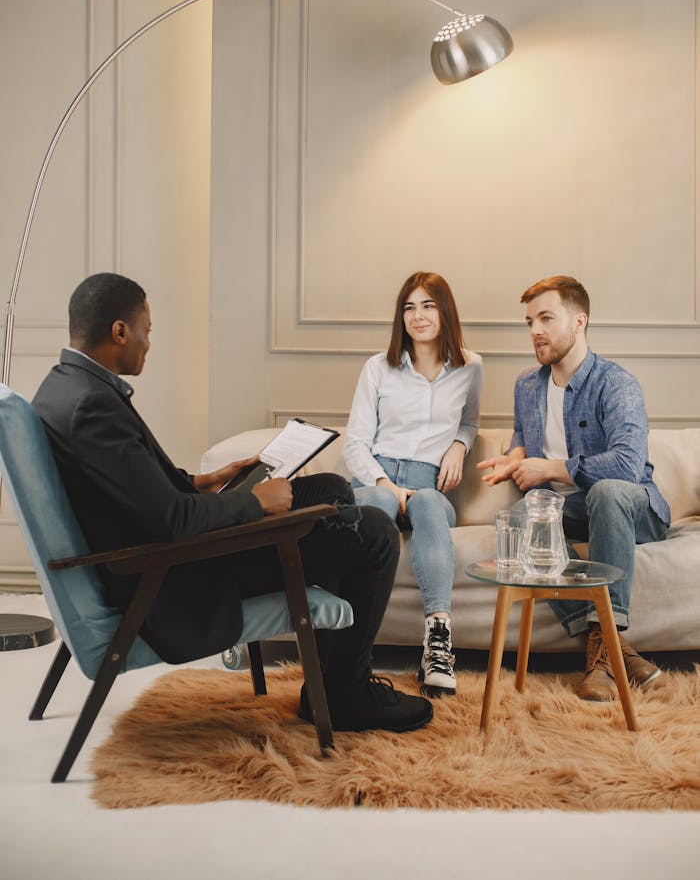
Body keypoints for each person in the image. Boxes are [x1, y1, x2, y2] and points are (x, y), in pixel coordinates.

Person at [32, 273, 433, 734]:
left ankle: (327, 681)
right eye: (147, 328)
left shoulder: (66, 388)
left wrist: (201, 481)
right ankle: (345, 693)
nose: (148, 341)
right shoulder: (91, 406)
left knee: (329, 490)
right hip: (175, 579)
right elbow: (172, 522)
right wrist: (257, 505)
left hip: (165, 553)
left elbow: (126, 486)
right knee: (375, 531)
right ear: (119, 331)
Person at [476, 275, 669, 702]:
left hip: (634, 506)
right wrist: (515, 457)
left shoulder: (616, 383)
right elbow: (523, 437)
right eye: (529, 321)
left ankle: (603, 656)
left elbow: (627, 465)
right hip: (570, 509)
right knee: (524, 516)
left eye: (546, 318)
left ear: (579, 321)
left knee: (608, 492)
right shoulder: (527, 385)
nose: (535, 331)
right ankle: (613, 647)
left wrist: (551, 469)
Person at [343, 271, 482, 696]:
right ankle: (349, 649)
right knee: (377, 511)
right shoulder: (377, 368)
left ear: (445, 311)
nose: (417, 315)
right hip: (376, 476)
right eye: (409, 307)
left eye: (428, 305)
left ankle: (437, 644)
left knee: (425, 504)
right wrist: (384, 482)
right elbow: (355, 444)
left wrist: (459, 444)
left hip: (428, 483)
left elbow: (470, 421)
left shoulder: (470, 366)